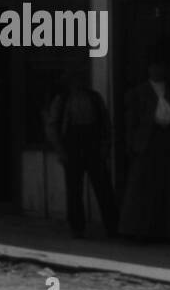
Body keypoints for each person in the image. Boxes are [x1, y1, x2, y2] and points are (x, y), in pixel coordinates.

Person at [118, 54, 170, 242]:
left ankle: (165, 230)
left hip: (166, 141)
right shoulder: (138, 92)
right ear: (148, 69)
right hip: (146, 143)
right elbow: (130, 122)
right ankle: (138, 230)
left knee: (166, 186)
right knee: (142, 187)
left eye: (161, 66)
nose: (158, 70)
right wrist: (131, 144)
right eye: (154, 66)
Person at [45, 69, 118, 239]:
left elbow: (106, 123)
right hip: (72, 146)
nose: (78, 83)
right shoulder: (62, 100)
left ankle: (113, 226)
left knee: (103, 187)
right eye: (74, 80)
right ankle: (77, 227)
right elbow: (53, 126)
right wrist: (60, 150)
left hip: (93, 145)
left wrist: (106, 146)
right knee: (74, 189)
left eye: (80, 79)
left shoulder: (95, 98)